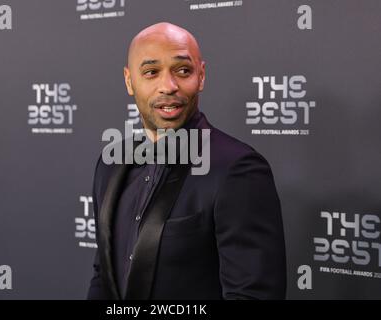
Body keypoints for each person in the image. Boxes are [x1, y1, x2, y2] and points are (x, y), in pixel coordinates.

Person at [87, 22, 286, 300]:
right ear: (129, 81)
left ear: (201, 76)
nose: (168, 86)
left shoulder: (237, 169)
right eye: (151, 72)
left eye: (183, 71)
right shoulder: (110, 164)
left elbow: (252, 295)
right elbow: (104, 275)